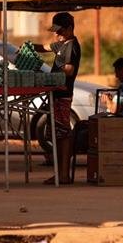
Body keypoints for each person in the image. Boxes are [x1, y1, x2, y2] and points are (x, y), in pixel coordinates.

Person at [33, 12, 81, 185]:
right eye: (55, 31)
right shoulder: (61, 44)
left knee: (63, 135)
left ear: (69, 29)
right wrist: (29, 47)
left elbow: (69, 69)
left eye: (60, 31)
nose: (56, 34)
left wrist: (50, 76)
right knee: (56, 135)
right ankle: (59, 172)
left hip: (63, 95)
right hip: (55, 95)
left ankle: (64, 174)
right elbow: (45, 47)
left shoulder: (72, 46)